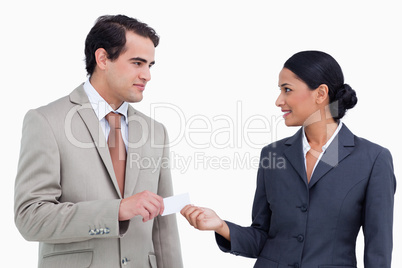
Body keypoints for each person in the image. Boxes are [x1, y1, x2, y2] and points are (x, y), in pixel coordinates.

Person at [181, 50, 396, 268]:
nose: (278, 100)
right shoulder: (272, 155)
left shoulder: (372, 159)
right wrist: (220, 226)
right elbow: (262, 237)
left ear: (321, 93)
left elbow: (378, 252)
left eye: (287, 90)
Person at [14, 15, 183, 268]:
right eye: (137, 62)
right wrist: (117, 211)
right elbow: (30, 218)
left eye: (150, 65)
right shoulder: (46, 121)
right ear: (102, 58)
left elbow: (163, 227)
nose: (147, 75)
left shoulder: (156, 131)